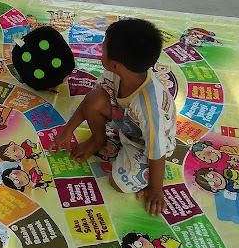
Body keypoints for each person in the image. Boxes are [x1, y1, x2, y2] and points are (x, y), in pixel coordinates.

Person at [51, 19, 176, 216]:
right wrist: (67, 131)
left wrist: (156, 189)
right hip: (125, 122)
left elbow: (157, 151)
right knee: (95, 98)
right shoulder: (116, 74)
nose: (101, 50)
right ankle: (99, 139)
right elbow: (90, 102)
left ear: (116, 65)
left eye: (103, 49)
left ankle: (115, 146)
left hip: (145, 144)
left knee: (119, 183)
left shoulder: (150, 108)